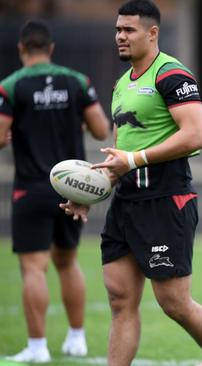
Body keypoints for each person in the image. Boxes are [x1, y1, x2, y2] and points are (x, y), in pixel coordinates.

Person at [61, 1, 202, 364]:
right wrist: (90, 190)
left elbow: (196, 135)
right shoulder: (122, 83)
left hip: (166, 200)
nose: (120, 36)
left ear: (152, 33)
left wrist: (134, 160)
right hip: (125, 204)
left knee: (174, 303)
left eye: (128, 30)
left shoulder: (172, 75)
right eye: (118, 30)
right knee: (120, 300)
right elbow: (120, 152)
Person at [0, 19, 110, 363]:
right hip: (74, 188)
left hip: (31, 188)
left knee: (34, 268)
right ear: (51, 49)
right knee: (68, 262)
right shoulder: (77, 81)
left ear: (21, 49)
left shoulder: (10, 86)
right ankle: (76, 339)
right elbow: (101, 130)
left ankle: (37, 348)